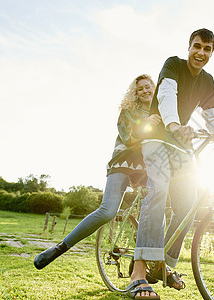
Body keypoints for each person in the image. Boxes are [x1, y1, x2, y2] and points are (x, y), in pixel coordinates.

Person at [127, 28, 214, 299]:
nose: (201, 53)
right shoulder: (173, 65)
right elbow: (166, 96)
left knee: (189, 203)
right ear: (189, 47)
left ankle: (163, 263)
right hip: (156, 138)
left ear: (212, 53)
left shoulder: (207, 81)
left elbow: (211, 115)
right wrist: (174, 124)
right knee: (159, 190)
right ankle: (138, 273)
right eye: (197, 46)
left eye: (207, 49)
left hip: (179, 143)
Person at [34, 74, 161, 270]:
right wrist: (148, 124)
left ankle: (143, 259)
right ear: (135, 93)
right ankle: (60, 247)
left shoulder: (162, 110)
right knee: (108, 211)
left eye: (148, 87)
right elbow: (128, 138)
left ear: (155, 87)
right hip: (124, 162)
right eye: (140, 89)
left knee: (156, 209)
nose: (145, 91)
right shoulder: (128, 111)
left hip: (148, 166)